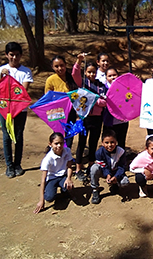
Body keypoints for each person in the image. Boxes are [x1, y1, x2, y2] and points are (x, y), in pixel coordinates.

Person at [0, 42, 33, 178]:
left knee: (19, 135)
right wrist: (3, 77)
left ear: (21, 55)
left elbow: (23, 90)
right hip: (4, 109)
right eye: (11, 55)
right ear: (6, 55)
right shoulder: (0, 70)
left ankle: (18, 164)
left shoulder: (26, 71)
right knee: (7, 136)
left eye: (17, 55)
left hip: (20, 108)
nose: (14, 58)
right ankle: (9, 165)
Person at [72, 53, 107, 181]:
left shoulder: (101, 85)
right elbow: (74, 74)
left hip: (97, 118)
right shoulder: (82, 84)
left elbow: (105, 102)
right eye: (89, 72)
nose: (91, 75)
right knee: (81, 143)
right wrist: (78, 61)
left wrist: (92, 100)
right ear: (85, 72)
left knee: (93, 142)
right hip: (84, 118)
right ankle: (78, 168)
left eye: (93, 72)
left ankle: (91, 166)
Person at [34, 132, 74, 214]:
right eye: (56, 143)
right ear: (50, 144)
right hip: (51, 178)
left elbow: (69, 166)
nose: (59, 146)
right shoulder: (47, 159)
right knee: (49, 197)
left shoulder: (67, 151)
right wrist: (41, 200)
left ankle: (64, 191)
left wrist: (68, 178)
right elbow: (43, 180)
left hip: (63, 176)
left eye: (61, 143)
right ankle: (51, 191)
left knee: (69, 187)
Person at [44, 55, 78, 148]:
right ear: (52, 67)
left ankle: (67, 154)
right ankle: (56, 153)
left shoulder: (72, 78)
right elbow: (48, 98)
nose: (60, 68)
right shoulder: (50, 80)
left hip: (71, 110)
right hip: (57, 111)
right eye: (56, 66)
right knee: (58, 134)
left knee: (70, 134)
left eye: (62, 65)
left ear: (66, 65)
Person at [90, 129, 129, 204]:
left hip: (116, 171)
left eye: (112, 142)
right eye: (106, 142)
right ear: (102, 143)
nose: (110, 145)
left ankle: (115, 184)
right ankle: (95, 190)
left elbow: (122, 167)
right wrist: (108, 175)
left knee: (125, 182)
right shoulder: (99, 153)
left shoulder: (121, 151)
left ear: (116, 142)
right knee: (94, 168)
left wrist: (116, 176)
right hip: (104, 172)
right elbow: (103, 166)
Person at [102, 67, 129, 150]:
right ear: (106, 77)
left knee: (121, 142)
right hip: (109, 121)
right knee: (109, 142)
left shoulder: (124, 87)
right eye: (110, 76)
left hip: (122, 121)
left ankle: (121, 160)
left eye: (114, 75)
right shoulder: (103, 88)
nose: (113, 77)